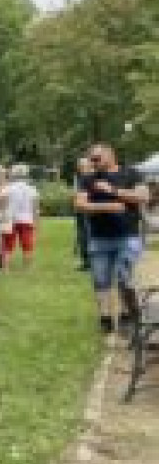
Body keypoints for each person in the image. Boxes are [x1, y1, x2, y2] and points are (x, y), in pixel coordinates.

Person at [74, 143, 149, 345]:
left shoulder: (131, 173)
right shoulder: (88, 179)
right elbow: (80, 204)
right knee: (100, 280)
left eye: (97, 158)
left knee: (124, 277)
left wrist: (114, 190)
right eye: (91, 159)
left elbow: (143, 197)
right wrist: (109, 206)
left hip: (127, 236)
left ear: (110, 155)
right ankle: (105, 320)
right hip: (99, 238)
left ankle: (126, 317)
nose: (93, 162)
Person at [2, 164, 39, 268]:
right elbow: (35, 208)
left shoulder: (8, 188)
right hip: (27, 219)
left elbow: (1, 202)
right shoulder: (32, 189)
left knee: (8, 244)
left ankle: (6, 267)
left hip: (10, 218)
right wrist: (36, 222)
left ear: (14, 174)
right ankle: (27, 267)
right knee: (27, 244)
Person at [74, 157, 94, 271]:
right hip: (80, 211)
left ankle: (90, 262)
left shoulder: (92, 177)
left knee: (88, 235)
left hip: (89, 211)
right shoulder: (79, 178)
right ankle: (86, 262)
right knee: (82, 235)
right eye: (80, 166)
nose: (80, 168)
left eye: (83, 165)